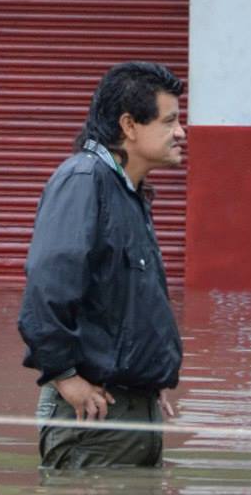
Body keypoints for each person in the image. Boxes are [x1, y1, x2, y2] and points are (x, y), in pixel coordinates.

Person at [18, 61, 186, 469]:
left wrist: (152, 378)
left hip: (133, 414)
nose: (181, 133)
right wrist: (65, 376)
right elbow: (47, 288)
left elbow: (128, 304)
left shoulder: (128, 191)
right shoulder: (83, 181)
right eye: (170, 122)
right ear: (129, 126)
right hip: (92, 421)